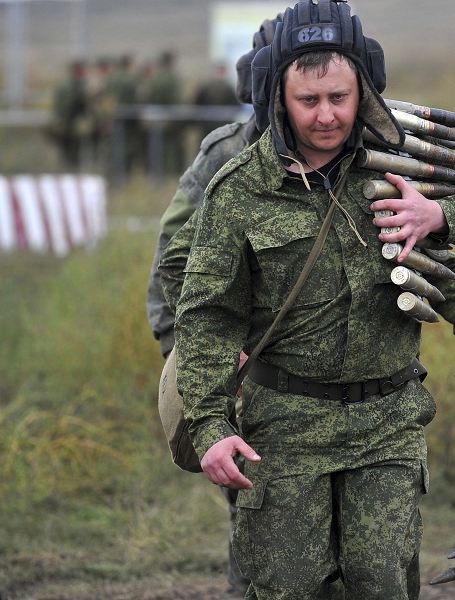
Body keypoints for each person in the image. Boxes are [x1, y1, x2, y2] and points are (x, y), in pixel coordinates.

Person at [164, 2, 455, 597]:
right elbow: (205, 316)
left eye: (340, 98)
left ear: (364, 91)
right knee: (289, 588)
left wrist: (438, 219)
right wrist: (211, 427)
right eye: (308, 101)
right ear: (279, 96)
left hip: (387, 422)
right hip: (284, 431)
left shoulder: (402, 158)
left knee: (382, 584)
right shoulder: (239, 189)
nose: (326, 116)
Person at [146, 16, 281, 597]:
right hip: (238, 364)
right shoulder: (228, 155)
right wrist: (200, 360)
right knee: (256, 517)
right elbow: (170, 267)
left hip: (322, 371)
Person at [47, 59, 90, 170]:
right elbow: (67, 105)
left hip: (70, 123)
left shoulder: (74, 84)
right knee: (69, 151)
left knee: (71, 151)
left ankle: (70, 171)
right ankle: (69, 172)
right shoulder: (69, 85)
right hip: (68, 123)